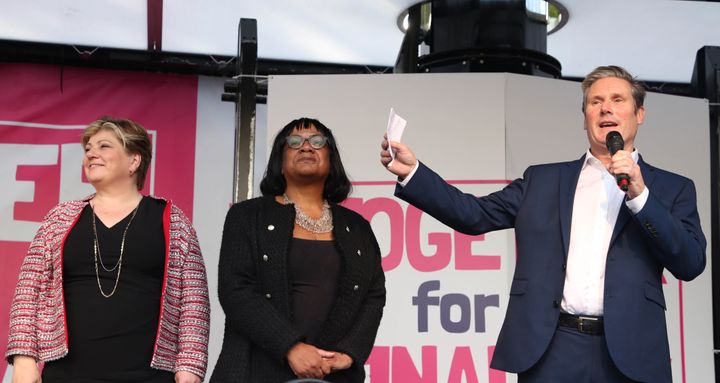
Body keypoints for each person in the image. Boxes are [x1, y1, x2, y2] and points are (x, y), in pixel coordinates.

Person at [380, 66, 706, 383]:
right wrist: (413, 173)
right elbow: (472, 214)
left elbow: (690, 263)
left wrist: (640, 196)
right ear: (585, 118)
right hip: (553, 348)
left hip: (631, 351)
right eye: (595, 102)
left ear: (640, 114)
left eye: (618, 99)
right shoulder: (543, 180)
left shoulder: (671, 188)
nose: (606, 108)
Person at [6, 117, 210, 383]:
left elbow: (193, 299)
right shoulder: (60, 218)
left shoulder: (172, 220)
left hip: (148, 376)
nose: (91, 153)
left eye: (104, 146)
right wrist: (24, 358)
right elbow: (27, 292)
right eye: (88, 148)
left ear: (134, 161)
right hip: (68, 375)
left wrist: (190, 366)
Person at [210, 117, 386, 382]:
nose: (306, 147)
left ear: (330, 160)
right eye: (294, 142)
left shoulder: (358, 227)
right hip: (254, 370)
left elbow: (373, 295)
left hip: (333, 374)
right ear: (280, 163)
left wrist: (350, 353)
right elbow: (235, 289)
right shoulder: (247, 216)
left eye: (317, 141)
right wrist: (290, 346)